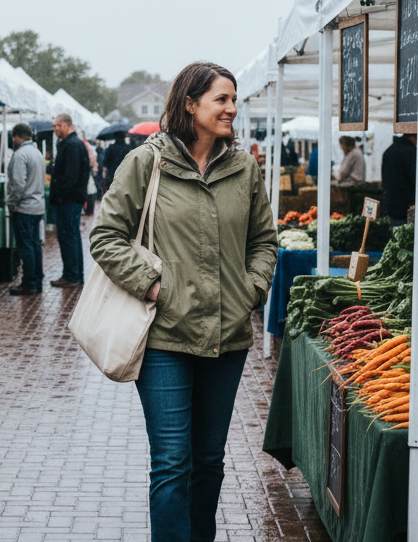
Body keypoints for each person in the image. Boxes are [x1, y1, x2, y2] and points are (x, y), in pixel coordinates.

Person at [90, 62, 278, 542]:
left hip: (228, 337)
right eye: (222, 99)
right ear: (190, 104)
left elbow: (264, 241)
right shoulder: (145, 163)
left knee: (209, 462)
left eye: (234, 100)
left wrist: (251, 290)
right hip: (164, 336)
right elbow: (106, 237)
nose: (232, 109)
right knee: (172, 463)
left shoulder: (244, 168)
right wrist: (155, 287)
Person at [49, 113, 91, 287]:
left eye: (57, 126)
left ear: (66, 125)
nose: (55, 130)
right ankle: (73, 274)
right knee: (70, 236)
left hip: (69, 200)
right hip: (71, 199)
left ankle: (72, 275)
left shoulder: (72, 145)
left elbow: (71, 176)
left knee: (68, 236)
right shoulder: (71, 144)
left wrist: (60, 195)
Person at [6, 122, 46, 296]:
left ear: (16, 136)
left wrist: (12, 203)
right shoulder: (37, 153)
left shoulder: (20, 155)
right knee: (35, 245)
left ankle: (29, 283)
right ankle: (37, 279)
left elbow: (18, 183)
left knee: (26, 246)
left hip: (24, 207)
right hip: (37, 205)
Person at [382, 133, 418, 223]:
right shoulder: (411, 152)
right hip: (407, 206)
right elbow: (416, 179)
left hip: (391, 204)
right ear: (413, 137)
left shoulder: (388, 151)